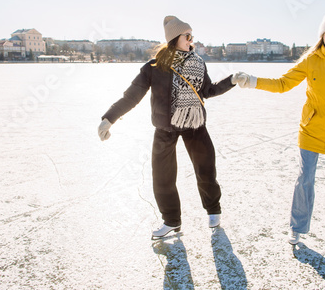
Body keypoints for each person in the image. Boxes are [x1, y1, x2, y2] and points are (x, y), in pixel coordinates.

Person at [235, 11, 325, 247]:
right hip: (312, 129)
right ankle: (297, 227)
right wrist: (253, 81)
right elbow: (283, 84)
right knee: (304, 180)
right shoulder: (311, 59)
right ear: (322, 35)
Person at [98, 16, 238, 239]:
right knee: (163, 177)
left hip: (195, 125)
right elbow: (132, 96)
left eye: (192, 35)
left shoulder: (198, 63)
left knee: (206, 170)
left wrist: (231, 81)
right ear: (175, 38)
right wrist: (110, 118)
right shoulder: (154, 67)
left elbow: (208, 91)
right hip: (165, 127)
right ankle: (171, 221)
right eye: (187, 35)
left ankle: (213, 209)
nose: (191, 40)